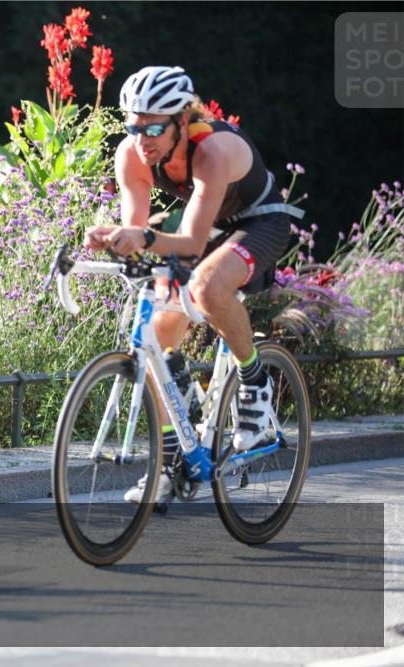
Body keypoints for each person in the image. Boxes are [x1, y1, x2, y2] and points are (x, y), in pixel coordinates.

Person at [83, 66, 304, 504]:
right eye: (133, 127)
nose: (142, 140)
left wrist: (143, 237)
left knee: (207, 287)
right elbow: (138, 231)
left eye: (153, 129)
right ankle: (171, 461)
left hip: (259, 222)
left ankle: (255, 380)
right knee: (155, 336)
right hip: (208, 225)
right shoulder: (131, 154)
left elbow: (191, 243)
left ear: (182, 121)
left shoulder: (212, 151)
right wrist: (113, 239)